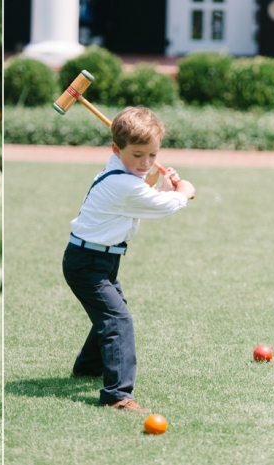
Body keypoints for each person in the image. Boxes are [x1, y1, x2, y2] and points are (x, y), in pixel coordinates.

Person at [62, 107, 195, 413]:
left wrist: (160, 187)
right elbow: (160, 206)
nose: (146, 163)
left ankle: (86, 367)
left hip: (102, 260)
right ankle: (118, 396)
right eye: (137, 155)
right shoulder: (123, 184)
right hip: (87, 263)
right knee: (117, 319)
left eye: (152, 154)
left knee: (111, 312)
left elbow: (142, 202)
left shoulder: (122, 174)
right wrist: (182, 192)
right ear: (115, 149)